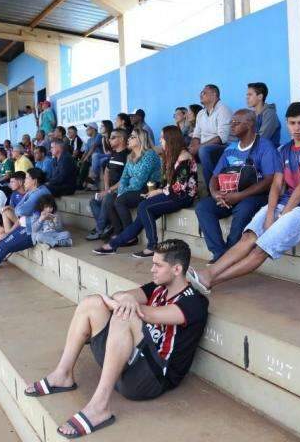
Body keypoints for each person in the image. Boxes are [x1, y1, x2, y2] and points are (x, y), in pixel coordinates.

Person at [24, 239, 208, 438]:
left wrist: (123, 303)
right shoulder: (156, 288)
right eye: (152, 263)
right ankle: (63, 374)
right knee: (92, 303)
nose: (152, 269)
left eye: (158, 265)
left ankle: (99, 407)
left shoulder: (194, 302)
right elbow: (120, 296)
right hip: (129, 365)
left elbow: (152, 315)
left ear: (177, 269)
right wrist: (124, 299)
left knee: (124, 315)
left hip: (151, 380)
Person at [188, 102, 300, 293]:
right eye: (292, 123)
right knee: (248, 237)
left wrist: (282, 217)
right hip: (283, 202)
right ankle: (208, 274)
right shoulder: (286, 149)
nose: (296, 128)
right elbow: (277, 185)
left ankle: (210, 278)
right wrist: (271, 214)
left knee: (261, 248)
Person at [94, 126, 197, 258]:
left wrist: (158, 191)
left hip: (182, 196)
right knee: (141, 218)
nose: (160, 140)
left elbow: (179, 187)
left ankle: (152, 246)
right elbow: (167, 182)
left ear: (171, 139)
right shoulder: (171, 155)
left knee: (144, 206)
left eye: (162, 138)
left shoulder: (184, 156)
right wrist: (160, 191)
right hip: (170, 193)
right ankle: (113, 245)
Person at [195, 109, 278, 263]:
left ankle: (232, 251)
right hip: (229, 194)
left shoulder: (265, 146)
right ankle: (220, 253)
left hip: (255, 195)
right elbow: (215, 176)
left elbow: (269, 180)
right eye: (231, 122)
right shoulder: (231, 148)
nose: (232, 125)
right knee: (203, 207)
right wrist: (215, 193)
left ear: (250, 124)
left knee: (243, 208)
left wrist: (240, 196)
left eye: (236, 123)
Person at [107, 128, 161, 237]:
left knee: (119, 200)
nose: (129, 139)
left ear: (140, 139)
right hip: (133, 188)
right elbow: (124, 178)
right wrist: (121, 190)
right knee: (109, 199)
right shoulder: (130, 156)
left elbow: (139, 182)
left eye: (132, 137)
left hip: (148, 189)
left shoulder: (149, 155)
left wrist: (122, 192)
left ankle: (130, 236)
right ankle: (119, 232)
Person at [87, 129, 129, 241]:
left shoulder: (128, 155)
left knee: (107, 199)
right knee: (93, 201)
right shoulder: (114, 154)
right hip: (110, 190)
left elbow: (126, 178)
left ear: (122, 139)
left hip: (121, 191)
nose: (109, 140)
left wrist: (109, 191)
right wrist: (106, 187)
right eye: (110, 138)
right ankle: (107, 225)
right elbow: (106, 171)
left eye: (113, 137)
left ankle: (99, 229)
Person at [188, 84, 233, 187]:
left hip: (224, 147)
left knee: (204, 150)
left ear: (214, 95)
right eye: (201, 93)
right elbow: (196, 135)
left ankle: (212, 189)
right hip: (205, 146)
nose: (201, 95)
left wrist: (198, 147)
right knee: (183, 150)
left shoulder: (223, 109)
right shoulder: (201, 113)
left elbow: (222, 138)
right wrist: (193, 147)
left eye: (204, 93)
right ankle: (186, 190)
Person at [77, 123, 103, 188]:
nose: (86, 131)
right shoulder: (89, 140)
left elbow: (93, 147)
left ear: (93, 129)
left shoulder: (99, 136)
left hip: (97, 159)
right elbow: (85, 152)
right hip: (90, 160)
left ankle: (80, 184)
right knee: (78, 165)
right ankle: (81, 183)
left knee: (85, 163)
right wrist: (81, 160)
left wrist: (85, 159)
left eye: (88, 129)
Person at [90, 120, 114, 189]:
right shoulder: (103, 138)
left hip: (114, 155)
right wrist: (108, 154)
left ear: (107, 127)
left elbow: (115, 150)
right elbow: (105, 152)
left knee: (96, 156)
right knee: (97, 158)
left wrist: (109, 153)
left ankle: (95, 175)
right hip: (108, 156)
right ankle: (96, 175)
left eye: (102, 126)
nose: (100, 128)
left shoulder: (112, 136)